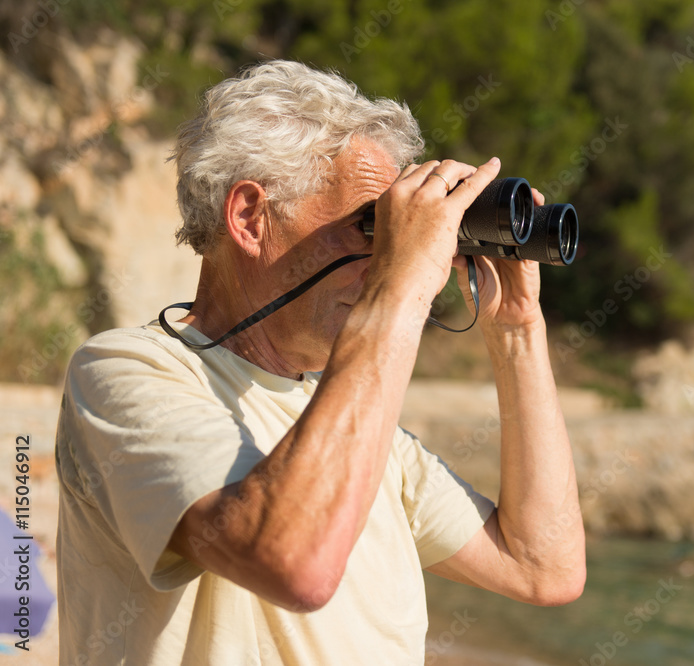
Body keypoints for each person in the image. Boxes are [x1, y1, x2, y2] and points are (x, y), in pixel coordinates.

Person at [55, 60, 586, 664]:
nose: (390, 252)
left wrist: (517, 329)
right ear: (252, 218)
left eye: (393, 230)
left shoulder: (353, 422)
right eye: (371, 226)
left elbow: (544, 567)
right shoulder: (128, 372)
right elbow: (293, 566)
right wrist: (400, 284)